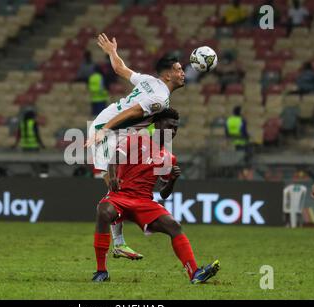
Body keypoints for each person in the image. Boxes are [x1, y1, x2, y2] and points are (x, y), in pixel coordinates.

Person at [85, 33, 185, 260]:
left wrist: (112, 52)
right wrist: (104, 130)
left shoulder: (150, 82)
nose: (183, 73)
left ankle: (119, 243)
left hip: (116, 131)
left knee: (118, 186)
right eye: (179, 69)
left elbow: (121, 69)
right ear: (168, 74)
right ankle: (118, 243)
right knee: (114, 185)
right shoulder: (159, 98)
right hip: (107, 130)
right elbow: (133, 112)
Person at [92, 108, 220, 283]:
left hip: (144, 202)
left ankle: (195, 273)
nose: (173, 131)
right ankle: (101, 272)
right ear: (157, 124)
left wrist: (173, 180)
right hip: (121, 196)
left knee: (174, 226)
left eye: (176, 128)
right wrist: (113, 176)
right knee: (103, 210)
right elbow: (115, 158)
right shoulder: (135, 139)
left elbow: (164, 193)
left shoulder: (168, 157)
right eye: (170, 126)